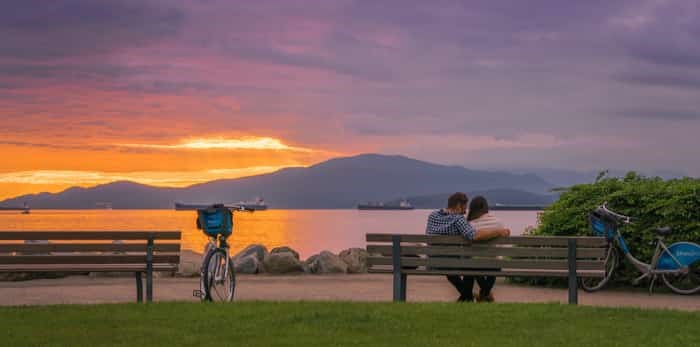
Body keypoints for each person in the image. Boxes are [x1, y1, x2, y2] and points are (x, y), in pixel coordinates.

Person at [425, 192, 510, 302]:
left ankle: (467, 296)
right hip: (453, 262)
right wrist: (498, 231)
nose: (465, 211)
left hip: (433, 262)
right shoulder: (458, 219)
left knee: (463, 264)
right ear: (458, 205)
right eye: (464, 207)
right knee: (469, 265)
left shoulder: (433, 215)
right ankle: (476, 295)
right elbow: (474, 236)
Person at [466, 196, 507, 302]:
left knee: (474, 264)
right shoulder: (499, 223)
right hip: (494, 264)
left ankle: (483, 295)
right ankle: (485, 294)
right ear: (486, 207)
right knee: (494, 262)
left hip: (475, 264)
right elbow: (501, 247)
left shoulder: (469, 225)